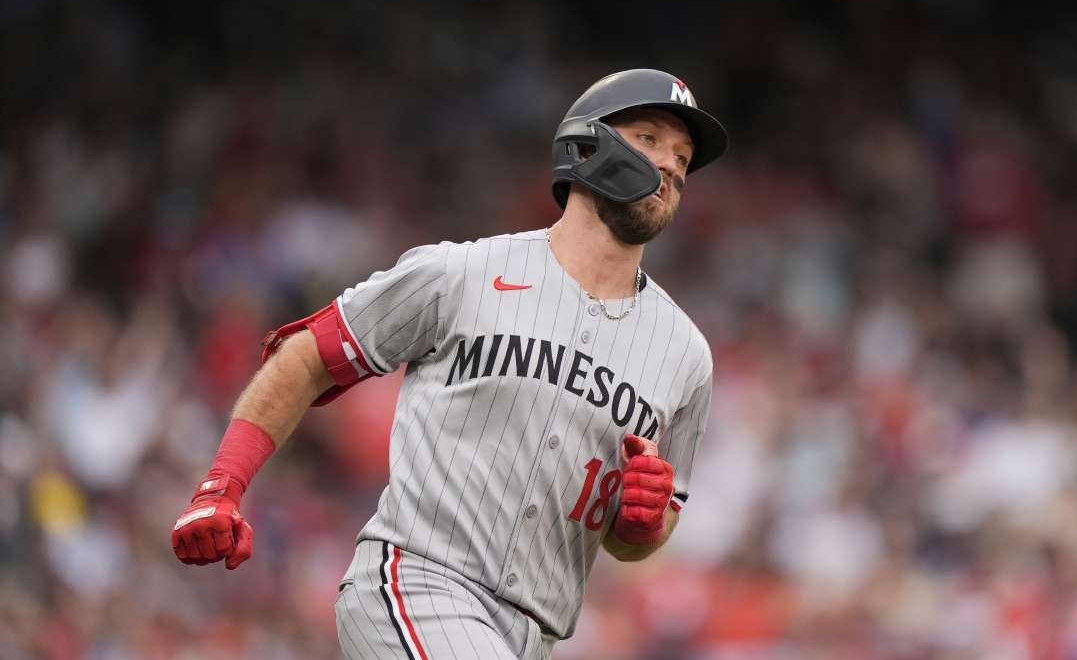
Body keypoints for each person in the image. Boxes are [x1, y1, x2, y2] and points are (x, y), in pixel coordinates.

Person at [170, 68, 728, 660]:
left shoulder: (685, 357)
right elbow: (309, 353)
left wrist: (641, 526)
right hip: (416, 583)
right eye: (649, 139)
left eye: (684, 158)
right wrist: (223, 484)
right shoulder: (462, 273)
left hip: (530, 635)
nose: (670, 165)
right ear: (587, 146)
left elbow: (643, 537)